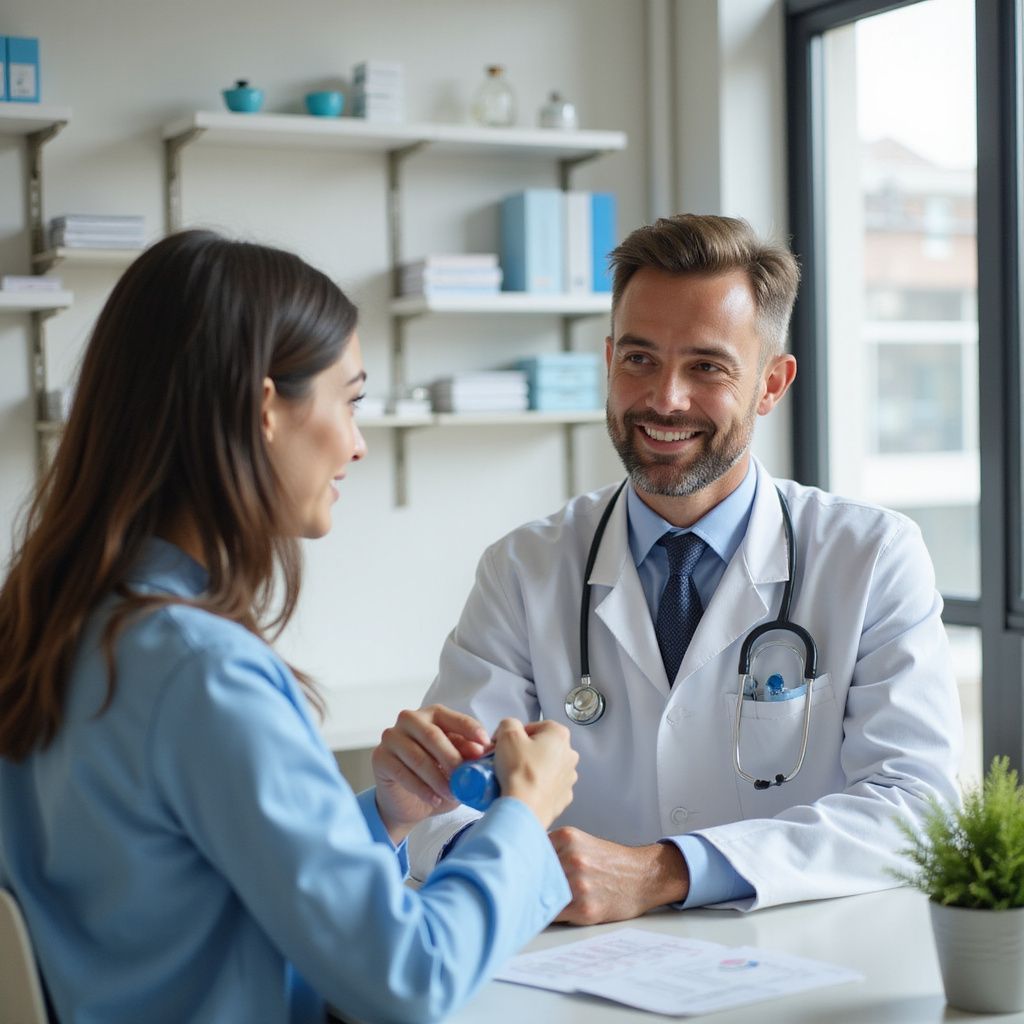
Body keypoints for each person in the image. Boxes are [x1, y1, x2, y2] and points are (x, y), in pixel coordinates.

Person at [0, 230, 578, 1024]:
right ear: (262, 408)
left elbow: (174, 886)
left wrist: (383, 815)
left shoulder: (47, 626)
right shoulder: (200, 669)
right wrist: (523, 813)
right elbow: (409, 980)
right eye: (350, 400)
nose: (358, 443)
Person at [410, 213, 962, 924]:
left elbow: (918, 805)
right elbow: (440, 803)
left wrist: (664, 871)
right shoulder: (525, 568)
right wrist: (520, 868)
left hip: (799, 961)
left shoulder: (872, 556)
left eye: (706, 366)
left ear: (771, 384)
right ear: (609, 360)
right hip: (576, 969)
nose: (665, 399)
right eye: (639, 359)